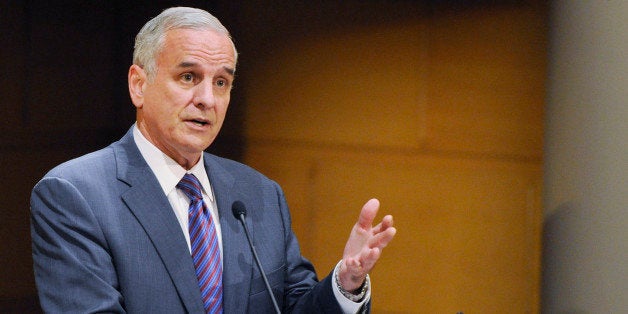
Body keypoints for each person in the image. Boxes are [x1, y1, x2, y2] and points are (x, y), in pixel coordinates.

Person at [30, 7, 396, 314]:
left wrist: (345, 285)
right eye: (188, 77)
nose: (207, 99)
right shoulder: (75, 194)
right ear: (139, 85)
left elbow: (292, 304)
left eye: (221, 82)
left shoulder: (259, 194)